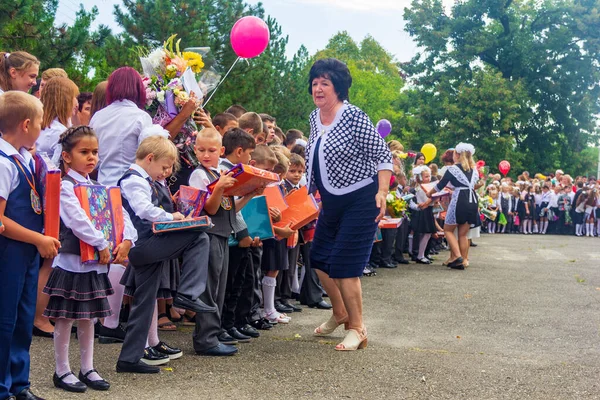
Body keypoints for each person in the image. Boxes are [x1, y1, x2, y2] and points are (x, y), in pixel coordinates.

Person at [305, 58, 392, 351]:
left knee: (345, 265)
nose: (318, 88)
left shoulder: (353, 115)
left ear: (338, 87)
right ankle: (339, 312)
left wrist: (382, 191)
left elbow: (382, 154)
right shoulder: (314, 118)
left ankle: (358, 328)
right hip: (331, 201)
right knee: (318, 258)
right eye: (315, 83)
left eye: (324, 83)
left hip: (360, 198)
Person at [45, 126, 135, 393]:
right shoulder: (65, 186)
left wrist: (127, 241)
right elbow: (76, 220)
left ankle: (88, 368)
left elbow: (121, 216)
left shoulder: (99, 187)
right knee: (64, 317)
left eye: (95, 152)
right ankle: (62, 370)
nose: (91, 157)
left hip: (95, 264)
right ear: (67, 156)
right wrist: (102, 243)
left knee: (89, 317)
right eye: (84, 152)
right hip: (72, 262)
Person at [116, 135, 213, 374]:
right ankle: (188, 294)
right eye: (164, 167)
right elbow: (142, 209)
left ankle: (129, 358)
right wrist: (173, 217)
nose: (166, 172)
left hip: (148, 245)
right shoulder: (134, 180)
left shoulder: (146, 179)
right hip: (143, 245)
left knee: (144, 302)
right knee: (199, 236)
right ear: (150, 158)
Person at [0, 91, 58, 400]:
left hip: (25, 253)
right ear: (25, 124)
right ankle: (2, 387)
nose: (41, 128)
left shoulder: (23, 158)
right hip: (9, 252)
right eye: (39, 122)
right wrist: (38, 239)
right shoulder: (3, 163)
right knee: (4, 319)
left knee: (22, 319)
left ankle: (19, 384)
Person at [189, 128, 255, 356]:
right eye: (202, 150)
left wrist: (249, 194)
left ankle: (213, 334)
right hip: (208, 236)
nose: (206, 155)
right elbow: (210, 208)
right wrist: (218, 188)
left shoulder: (220, 174)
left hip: (223, 234)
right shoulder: (200, 175)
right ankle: (205, 338)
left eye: (212, 150)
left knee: (219, 286)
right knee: (209, 287)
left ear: (221, 151)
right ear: (195, 150)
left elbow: (230, 208)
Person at [219, 128, 260, 344]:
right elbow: (228, 208)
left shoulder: (236, 171)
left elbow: (236, 207)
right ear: (239, 151)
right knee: (229, 286)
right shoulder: (226, 173)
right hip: (231, 237)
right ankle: (227, 324)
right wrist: (244, 233)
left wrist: (251, 194)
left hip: (238, 234)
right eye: (250, 153)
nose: (251, 158)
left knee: (239, 283)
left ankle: (234, 323)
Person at [427, 143, 479, 270]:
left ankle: (457, 257)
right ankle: (463, 258)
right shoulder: (474, 170)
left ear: (457, 155)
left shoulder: (453, 169)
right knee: (463, 234)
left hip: (460, 199)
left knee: (448, 229)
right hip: (472, 200)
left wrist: (429, 193)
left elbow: (440, 185)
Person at [37, 77, 79, 161]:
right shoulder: (59, 132)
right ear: (64, 100)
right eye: (74, 97)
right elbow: (59, 168)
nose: (76, 103)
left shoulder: (40, 125)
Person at [412, 166, 437, 264]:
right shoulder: (420, 188)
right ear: (420, 178)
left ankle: (422, 254)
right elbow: (427, 200)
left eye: (429, 176)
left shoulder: (427, 187)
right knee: (425, 233)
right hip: (424, 211)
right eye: (426, 176)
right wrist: (434, 197)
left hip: (428, 210)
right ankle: (420, 255)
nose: (429, 178)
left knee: (427, 233)